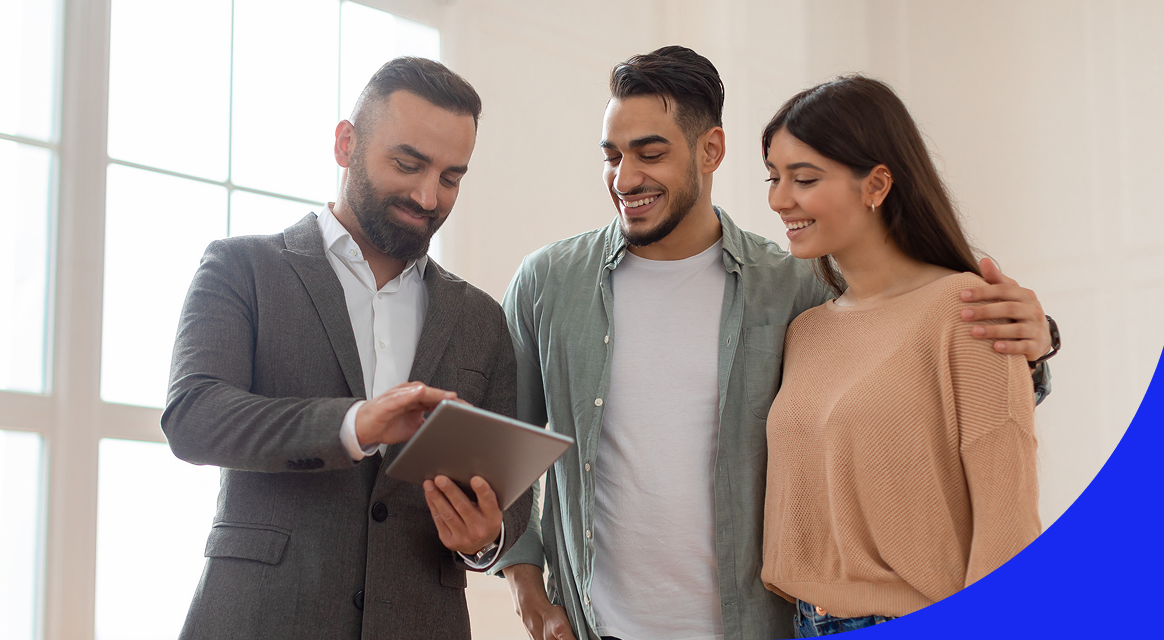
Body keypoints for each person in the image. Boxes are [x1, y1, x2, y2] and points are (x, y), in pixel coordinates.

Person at [497, 47, 1055, 640]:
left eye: (650, 153)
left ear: (710, 150)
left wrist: (1034, 347)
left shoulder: (791, 289)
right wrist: (527, 587)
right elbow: (504, 451)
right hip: (626, 626)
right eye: (612, 156)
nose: (625, 178)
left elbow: (939, 402)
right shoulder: (549, 285)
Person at [161, 57, 532, 639]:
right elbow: (193, 416)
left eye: (452, 177)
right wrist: (357, 422)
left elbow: (508, 500)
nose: (428, 195)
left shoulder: (480, 319)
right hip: (259, 620)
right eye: (408, 164)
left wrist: (485, 541)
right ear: (345, 144)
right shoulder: (242, 268)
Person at [759, 76, 1045, 637]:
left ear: (877, 184)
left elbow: (1007, 527)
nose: (778, 199)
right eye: (772, 177)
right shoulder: (806, 331)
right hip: (801, 623)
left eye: (804, 178)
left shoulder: (967, 310)